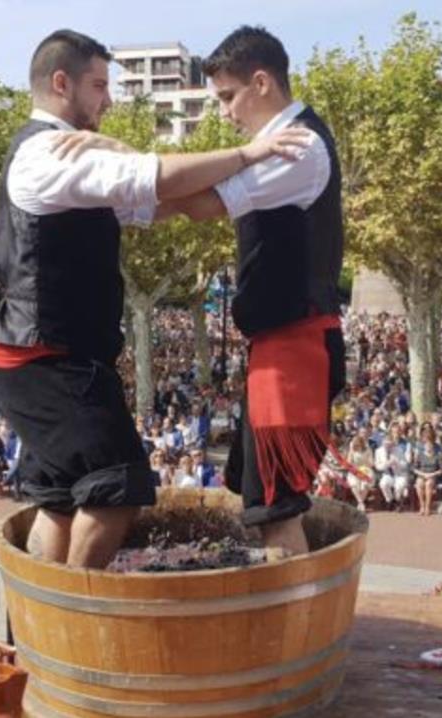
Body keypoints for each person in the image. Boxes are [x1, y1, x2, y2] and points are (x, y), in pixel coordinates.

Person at [0, 29, 310, 569]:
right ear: (61, 83)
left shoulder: (67, 156)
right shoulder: (49, 151)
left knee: (62, 501)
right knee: (120, 488)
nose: (109, 99)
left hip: (37, 357)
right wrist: (249, 153)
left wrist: (119, 150)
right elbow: (157, 177)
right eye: (98, 85)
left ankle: (35, 631)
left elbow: (158, 202)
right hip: (48, 360)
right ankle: (74, 615)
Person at [169, 26, 347, 556]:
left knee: (276, 508)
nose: (224, 112)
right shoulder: (282, 142)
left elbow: (200, 205)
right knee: (264, 500)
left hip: (294, 350)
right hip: (282, 346)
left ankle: (291, 631)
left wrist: (128, 189)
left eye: (227, 97)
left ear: (262, 82)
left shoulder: (296, 146)